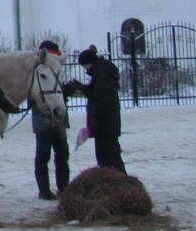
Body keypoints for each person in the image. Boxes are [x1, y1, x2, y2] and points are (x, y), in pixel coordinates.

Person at [64, 44, 126, 173]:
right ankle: (117, 181)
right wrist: (83, 88)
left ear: (88, 63)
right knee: (111, 155)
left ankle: (119, 183)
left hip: (105, 123)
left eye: (84, 65)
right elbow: (98, 92)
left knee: (108, 157)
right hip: (108, 122)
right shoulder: (103, 71)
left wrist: (93, 122)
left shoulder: (100, 73)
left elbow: (100, 99)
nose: (85, 69)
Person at [31, 40, 70, 199]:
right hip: (46, 119)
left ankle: (47, 190)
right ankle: (60, 189)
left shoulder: (50, 67)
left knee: (48, 155)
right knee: (58, 155)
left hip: (48, 120)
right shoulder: (43, 68)